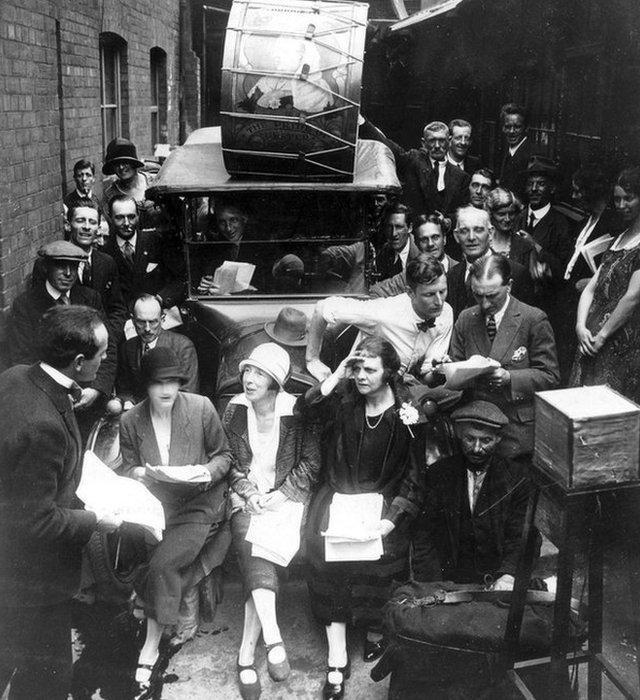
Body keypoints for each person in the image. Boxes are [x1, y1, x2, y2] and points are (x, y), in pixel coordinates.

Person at [0, 305, 118, 700]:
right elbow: (35, 520)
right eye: (101, 354)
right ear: (80, 362)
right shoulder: (43, 426)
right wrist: (94, 519)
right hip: (33, 582)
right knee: (46, 682)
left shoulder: (17, 377)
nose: (105, 360)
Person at [299, 337, 425, 699]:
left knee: (382, 557)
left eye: (370, 369)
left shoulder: (407, 414)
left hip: (383, 504)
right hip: (338, 497)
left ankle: (373, 629)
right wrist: (338, 372)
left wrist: (392, 518)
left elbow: (415, 477)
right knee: (331, 559)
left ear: (389, 373)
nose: (362, 376)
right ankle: (336, 655)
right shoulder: (343, 402)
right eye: (358, 368)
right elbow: (307, 409)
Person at [120, 347, 231, 696]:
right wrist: (137, 471)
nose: (167, 390)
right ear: (146, 386)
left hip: (200, 504)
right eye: (158, 383)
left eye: (173, 382)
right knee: (148, 555)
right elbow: (127, 465)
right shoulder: (131, 420)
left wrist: (204, 472)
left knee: (162, 563)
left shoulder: (200, 408)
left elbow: (224, 455)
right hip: (157, 505)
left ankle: (152, 644)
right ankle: (170, 613)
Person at [223, 343, 321, 699]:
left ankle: (247, 653)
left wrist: (278, 496)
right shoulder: (233, 410)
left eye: (259, 373)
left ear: (276, 382)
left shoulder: (297, 412)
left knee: (260, 549)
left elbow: (311, 464)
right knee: (249, 536)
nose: (250, 379)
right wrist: (249, 494)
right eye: (247, 371)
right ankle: (274, 638)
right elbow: (230, 462)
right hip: (249, 498)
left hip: (288, 498)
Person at [445, 254, 559, 460]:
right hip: (475, 426)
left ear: (510, 286)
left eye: (492, 296)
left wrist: (510, 378)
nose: (485, 304)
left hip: (514, 429)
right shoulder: (466, 318)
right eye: (477, 295)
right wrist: (446, 367)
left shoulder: (533, 319)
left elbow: (550, 377)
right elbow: (456, 366)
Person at [412, 400, 534, 587]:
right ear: (459, 434)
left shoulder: (518, 478)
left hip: (497, 581)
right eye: (470, 439)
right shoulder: (438, 474)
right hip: (448, 582)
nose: (477, 448)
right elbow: (424, 536)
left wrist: (508, 576)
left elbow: (522, 535)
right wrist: (432, 586)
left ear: (498, 438)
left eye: (486, 440)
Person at [8, 241, 117, 414]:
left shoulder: (90, 298)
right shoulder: (26, 304)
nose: (68, 273)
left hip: (87, 397)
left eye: (73, 267)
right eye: (61, 266)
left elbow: (108, 348)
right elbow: (23, 358)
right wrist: (54, 393)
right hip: (46, 401)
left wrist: (96, 389)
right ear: (46, 268)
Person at [306, 256, 453, 384]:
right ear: (410, 293)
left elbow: (426, 375)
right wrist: (312, 360)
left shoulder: (446, 313)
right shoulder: (383, 312)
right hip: (359, 386)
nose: (439, 301)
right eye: (430, 294)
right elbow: (322, 307)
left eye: (443, 291)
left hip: (398, 389)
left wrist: (438, 370)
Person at [570, 166, 640, 404]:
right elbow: (591, 288)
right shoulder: (620, 237)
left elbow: (632, 297)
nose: (621, 205)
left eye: (628, 198)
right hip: (591, 339)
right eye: (617, 199)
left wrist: (602, 337)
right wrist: (580, 326)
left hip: (620, 345)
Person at [362, 118, 470, 221]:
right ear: (423, 143)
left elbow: (464, 211)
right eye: (432, 140)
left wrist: (448, 221)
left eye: (441, 141)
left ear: (449, 141)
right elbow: (387, 144)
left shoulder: (460, 176)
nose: (437, 146)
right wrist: (362, 122)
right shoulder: (413, 160)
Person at [102, 194, 185, 312]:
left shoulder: (157, 241)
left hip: (159, 314)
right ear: (110, 218)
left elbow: (180, 279)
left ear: (138, 216)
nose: (126, 223)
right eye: (119, 217)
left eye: (131, 217)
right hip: (122, 320)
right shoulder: (104, 252)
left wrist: (160, 299)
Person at [446, 206, 532, 319]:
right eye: (464, 231)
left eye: (478, 230)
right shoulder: (451, 275)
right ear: (456, 236)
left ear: (490, 233)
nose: (471, 237)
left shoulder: (516, 272)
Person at [117, 294, 199, 407]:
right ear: (132, 320)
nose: (147, 329)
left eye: (153, 322)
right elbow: (124, 390)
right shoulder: (128, 348)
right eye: (141, 322)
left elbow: (188, 393)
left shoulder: (183, 347)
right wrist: (128, 401)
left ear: (162, 319)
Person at [565, 163, 623, 291]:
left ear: (591, 191)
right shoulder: (583, 223)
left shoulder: (612, 225)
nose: (573, 196)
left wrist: (592, 283)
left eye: (577, 191)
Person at [370, 215, 457, 297]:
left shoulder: (460, 270)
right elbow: (375, 292)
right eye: (424, 239)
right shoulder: (410, 273)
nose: (430, 244)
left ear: (444, 239)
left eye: (435, 237)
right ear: (416, 244)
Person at [101, 138, 160, 229]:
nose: (121, 167)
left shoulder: (156, 181)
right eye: (116, 164)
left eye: (125, 162)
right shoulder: (110, 195)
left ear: (133, 163)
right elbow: (109, 228)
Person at [497, 103, 537, 197]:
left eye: (517, 127)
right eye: (507, 127)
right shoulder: (505, 150)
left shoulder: (533, 155)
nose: (511, 131)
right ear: (502, 128)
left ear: (526, 128)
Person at [375, 203, 420, 281]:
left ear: (410, 228)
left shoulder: (421, 254)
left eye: (399, 227)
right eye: (389, 227)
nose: (394, 233)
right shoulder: (384, 252)